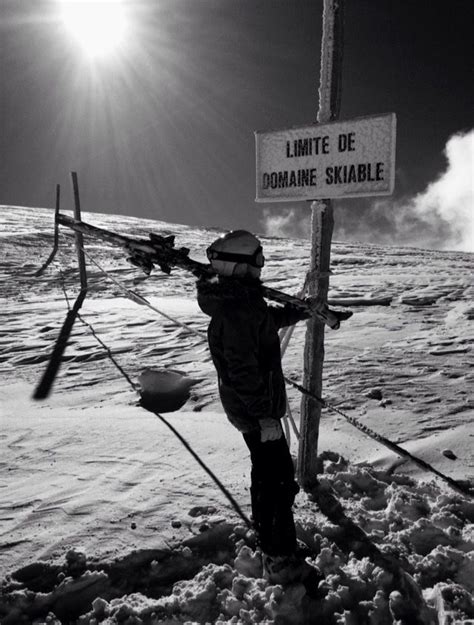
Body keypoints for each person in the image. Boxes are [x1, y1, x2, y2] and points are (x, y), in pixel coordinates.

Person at [196, 229, 339, 583]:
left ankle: (275, 546)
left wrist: (299, 313)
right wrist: (264, 416)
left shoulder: (242, 303)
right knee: (274, 482)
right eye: (257, 259)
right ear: (241, 265)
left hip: (257, 412)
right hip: (256, 413)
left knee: (271, 476)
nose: (261, 267)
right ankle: (280, 559)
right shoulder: (237, 310)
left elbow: (266, 321)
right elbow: (242, 372)